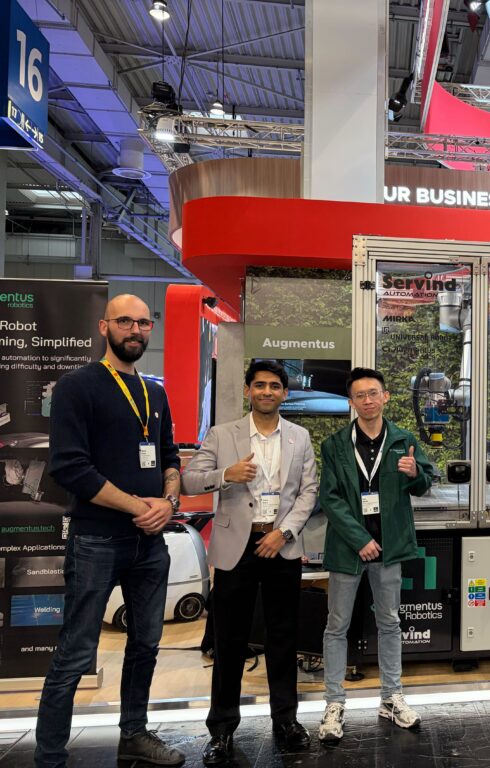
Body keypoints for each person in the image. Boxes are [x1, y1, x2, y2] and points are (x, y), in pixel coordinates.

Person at [36, 294, 184, 768]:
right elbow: (70, 467)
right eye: (126, 321)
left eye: (144, 322)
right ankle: (50, 756)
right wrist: (139, 506)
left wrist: (170, 502)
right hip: (96, 539)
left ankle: (134, 736)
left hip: (150, 542)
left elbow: (169, 458)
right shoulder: (77, 386)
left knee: (146, 645)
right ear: (104, 326)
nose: (136, 330)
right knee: (75, 652)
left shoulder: (154, 392)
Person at [182, 359, 318, 765]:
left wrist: (285, 532)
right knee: (229, 641)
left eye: (275, 386)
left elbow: (308, 493)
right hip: (235, 550)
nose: (267, 392)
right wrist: (227, 473)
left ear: (285, 393)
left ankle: (286, 722)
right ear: (248, 390)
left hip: (280, 547)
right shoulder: (223, 435)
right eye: (259, 385)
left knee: (283, 638)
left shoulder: (300, 437)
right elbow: (191, 480)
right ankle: (221, 731)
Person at [317, 367, 431, 742]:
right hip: (349, 549)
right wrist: (358, 538)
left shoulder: (403, 439)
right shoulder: (335, 445)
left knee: (390, 623)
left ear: (386, 397)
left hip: (389, 548)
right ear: (351, 402)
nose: (367, 400)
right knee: (337, 626)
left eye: (373, 393)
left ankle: (391, 697)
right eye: (360, 395)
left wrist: (415, 472)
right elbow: (330, 499)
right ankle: (334, 704)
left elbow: (425, 484)